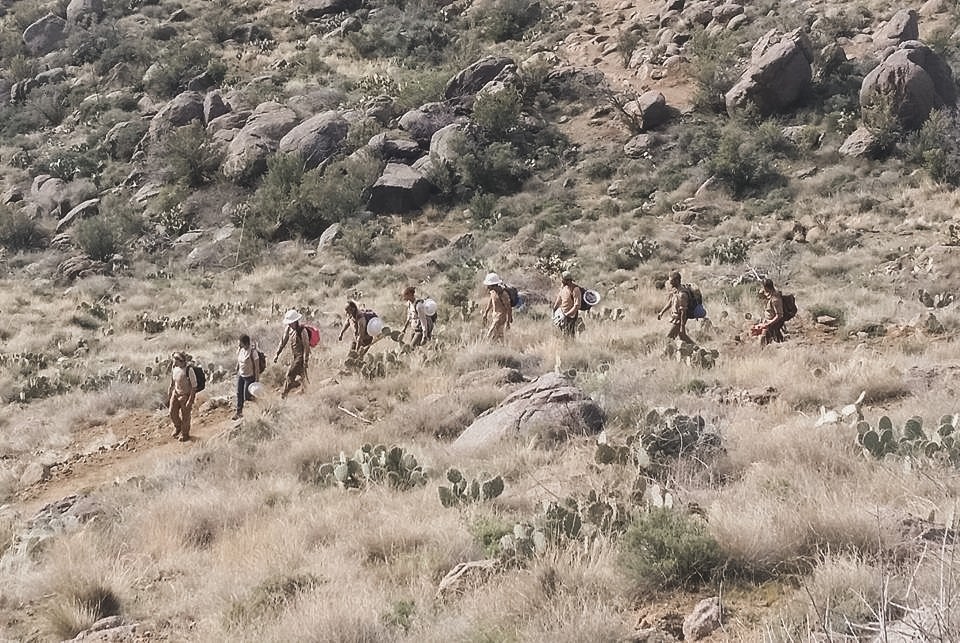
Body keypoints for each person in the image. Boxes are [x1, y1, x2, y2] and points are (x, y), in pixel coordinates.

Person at [273, 309, 310, 398]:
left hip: (301, 356)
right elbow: (283, 341)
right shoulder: (289, 329)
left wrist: (305, 360)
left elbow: (306, 347)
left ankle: (284, 394)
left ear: (295, 321)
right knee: (302, 376)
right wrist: (277, 354)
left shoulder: (302, 331)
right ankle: (306, 391)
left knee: (289, 374)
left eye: (291, 323)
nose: (289, 324)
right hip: (295, 356)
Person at [657, 271, 693, 344]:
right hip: (676, 319)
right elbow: (671, 302)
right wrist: (662, 312)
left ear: (677, 281)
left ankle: (699, 351)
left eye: (671, 281)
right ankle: (698, 350)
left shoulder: (682, 294)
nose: (670, 283)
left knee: (668, 339)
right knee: (682, 337)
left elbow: (683, 312)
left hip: (679, 320)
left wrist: (682, 326)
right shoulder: (676, 291)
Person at [168, 351, 195, 442]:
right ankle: (178, 427)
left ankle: (185, 434)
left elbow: (194, 386)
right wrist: (170, 389)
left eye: (175, 359)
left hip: (185, 395)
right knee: (172, 412)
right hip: (176, 393)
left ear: (180, 360)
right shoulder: (174, 367)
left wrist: (190, 400)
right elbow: (173, 380)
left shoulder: (188, 370)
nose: (173, 360)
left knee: (185, 416)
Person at [233, 334, 260, 420]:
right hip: (241, 375)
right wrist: (237, 369)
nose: (238, 344)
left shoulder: (253, 352)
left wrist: (256, 380)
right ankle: (239, 412)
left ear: (244, 343)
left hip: (250, 377)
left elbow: (257, 367)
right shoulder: (241, 350)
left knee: (247, 396)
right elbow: (239, 360)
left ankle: (259, 406)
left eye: (240, 342)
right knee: (239, 393)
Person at [480, 272, 512, 342]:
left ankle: (488, 349)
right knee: (499, 336)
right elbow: (491, 301)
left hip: (500, 317)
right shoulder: (493, 292)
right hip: (495, 316)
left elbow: (509, 308)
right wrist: (486, 313)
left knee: (490, 336)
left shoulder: (503, 294)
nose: (487, 287)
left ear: (493, 285)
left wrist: (508, 321)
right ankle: (502, 349)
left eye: (489, 285)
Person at [553, 271, 582, 339]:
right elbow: (559, 299)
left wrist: (567, 314)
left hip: (571, 316)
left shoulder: (575, 289)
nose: (561, 281)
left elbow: (577, 305)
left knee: (570, 334)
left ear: (566, 280)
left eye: (562, 279)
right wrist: (554, 309)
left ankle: (571, 347)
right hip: (562, 315)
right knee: (562, 335)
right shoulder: (563, 288)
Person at [757, 278, 785, 346]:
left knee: (762, 341)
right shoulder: (769, 294)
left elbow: (779, 315)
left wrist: (769, 324)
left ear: (766, 288)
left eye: (763, 287)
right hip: (767, 321)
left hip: (772, 323)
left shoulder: (775, 299)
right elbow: (760, 296)